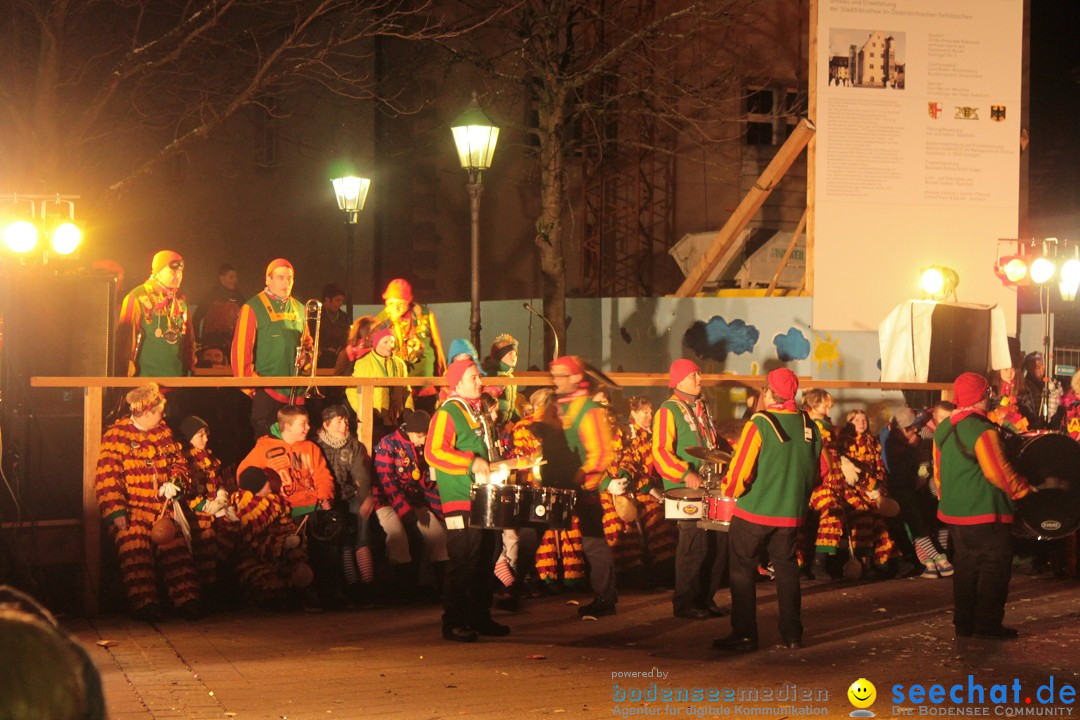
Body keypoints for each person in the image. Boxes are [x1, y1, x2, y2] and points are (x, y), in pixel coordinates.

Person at [714, 368, 824, 652]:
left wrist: (729, 492)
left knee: (741, 569)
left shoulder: (759, 423)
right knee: (787, 569)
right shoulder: (810, 425)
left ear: (767, 393)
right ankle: (792, 634)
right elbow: (821, 470)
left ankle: (745, 634)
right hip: (790, 514)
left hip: (755, 511)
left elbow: (739, 472)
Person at [933, 372, 1034, 639]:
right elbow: (997, 473)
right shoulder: (982, 430)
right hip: (984, 512)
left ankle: (964, 624)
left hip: (954, 513)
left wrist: (949, 498)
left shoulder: (943, 429)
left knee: (965, 566)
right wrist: (1024, 489)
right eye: (987, 394)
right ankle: (987, 625)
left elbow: (938, 472)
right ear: (981, 396)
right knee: (994, 567)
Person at [93, 383, 201, 621]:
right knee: (135, 550)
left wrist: (176, 482)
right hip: (133, 511)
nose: (164, 414)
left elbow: (179, 463)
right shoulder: (117, 435)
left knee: (174, 549)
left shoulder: (163, 433)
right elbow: (107, 475)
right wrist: (116, 510)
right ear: (147, 412)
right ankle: (145, 605)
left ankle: (187, 601)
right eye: (160, 410)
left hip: (161, 509)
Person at [424, 358, 510, 642]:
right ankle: (453, 622)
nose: (479, 382)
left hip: (485, 496)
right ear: (457, 383)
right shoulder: (448, 412)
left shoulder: (479, 411)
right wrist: (470, 462)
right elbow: (433, 452)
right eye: (473, 377)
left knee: (486, 554)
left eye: (479, 377)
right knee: (464, 560)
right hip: (461, 497)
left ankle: (479, 616)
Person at [237, 405, 337, 609]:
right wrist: (261, 497)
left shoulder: (311, 448)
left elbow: (322, 475)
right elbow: (244, 473)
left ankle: (329, 593)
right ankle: (298, 594)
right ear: (286, 426)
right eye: (303, 424)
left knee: (328, 543)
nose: (308, 427)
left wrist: (325, 496)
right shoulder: (264, 449)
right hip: (286, 511)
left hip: (314, 507)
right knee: (295, 552)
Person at [651, 359, 726, 619]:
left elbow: (711, 444)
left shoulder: (703, 406)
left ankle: (705, 598)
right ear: (679, 380)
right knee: (693, 546)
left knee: (717, 543)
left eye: (699, 374)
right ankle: (685, 602)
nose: (699, 379)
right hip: (686, 489)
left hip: (711, 485)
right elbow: (660, 452)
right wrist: (685, 473)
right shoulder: (667, 411)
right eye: (694, 375)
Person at [550, 355, 618, 618]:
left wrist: (583, 474)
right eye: (554, 376)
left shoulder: (588, 411)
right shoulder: (558, 407)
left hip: (583, 487)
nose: (556, 381)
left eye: (560, 376)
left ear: (577, 377)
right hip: (557, 486)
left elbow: (601, 453)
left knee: (593, 543)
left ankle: (605, 597)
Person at [373, 409, 448, 602]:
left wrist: (438, 508)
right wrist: (403, 510)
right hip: (386, 501)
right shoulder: (387, 445)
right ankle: (404, 591)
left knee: (437, 536)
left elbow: (427, 482)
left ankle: (443, 588)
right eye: (419, 436)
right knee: (397, 537)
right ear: (410, 431)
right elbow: (386, 481)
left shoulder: (424, 447)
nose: (422, 441)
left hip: (415, 500)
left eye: (425, 436)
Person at [232, 258, 308, 438]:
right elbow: (240, 351)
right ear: (268, 280)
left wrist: (307, 358)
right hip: (267, 392)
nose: (286, 282)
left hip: (295, 392)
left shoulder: (300, 308)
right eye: (280, 277)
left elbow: (308, 344)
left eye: (290, 278)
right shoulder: (252, 307)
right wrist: (254, 388)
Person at [315, 404, 375, 604]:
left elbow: (360, 475)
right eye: (339, 421)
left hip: (350, 495)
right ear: (326, 424)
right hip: (330, 498)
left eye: (346, 420)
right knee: (344, 536)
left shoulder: (354, 445)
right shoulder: (317, 446)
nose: (344, 425)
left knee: (362, 526)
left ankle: (368, 582)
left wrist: (365, 496)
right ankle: (351, 584)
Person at [115, 250, 196, 378]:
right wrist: (125, 367)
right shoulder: (137, 297)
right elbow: (124, 340)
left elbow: (189, 338)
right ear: (158, 272)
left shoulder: (180, 300)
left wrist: (191, 363)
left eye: (181, 272)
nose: (178, 276)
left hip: (178, 379)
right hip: (145, 381)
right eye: (173, 271)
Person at [374, 278, 446, 412]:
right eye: (390, 303)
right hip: (398, 385)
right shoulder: (381, 320)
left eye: (400, 303)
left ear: (408, 301)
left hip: (426, 384)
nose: (395, 308)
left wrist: (443, 381)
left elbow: (438, 347)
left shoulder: (425, 314)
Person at [346, 324, 413, 443]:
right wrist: (365, 412)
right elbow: (352, 391)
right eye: (385, 342)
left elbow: (406, 389)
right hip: (375, 419)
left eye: (392, 342)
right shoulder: (363, 363)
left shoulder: (399, 363)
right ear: (376, 343)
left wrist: (408, 409)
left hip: (395, 418)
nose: (390, 346)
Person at [193, 263, 244, 352]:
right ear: (222, 278)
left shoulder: (239, 296)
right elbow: (197, 317)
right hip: (212, 343)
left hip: (233, 342)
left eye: (236, 277)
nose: (235, 280)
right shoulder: (211, 296)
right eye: (231, 277)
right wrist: (196, 340)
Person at [482, 334, 523, 425]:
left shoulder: (510, 377)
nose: (514, 357)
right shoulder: (492, 373)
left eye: (515, 354)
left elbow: (510, 404)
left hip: (505, 423)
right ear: (500, 356)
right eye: (510, 354)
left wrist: (518, 419)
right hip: (494, 422)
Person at [318, 283, 351, 369]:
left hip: (339, 361)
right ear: (327, 300)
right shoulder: (314, 316)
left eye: (342, 301)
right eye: (338, 300)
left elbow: (348, 339)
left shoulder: (345, 318)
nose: (341, 304)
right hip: (319, 362)